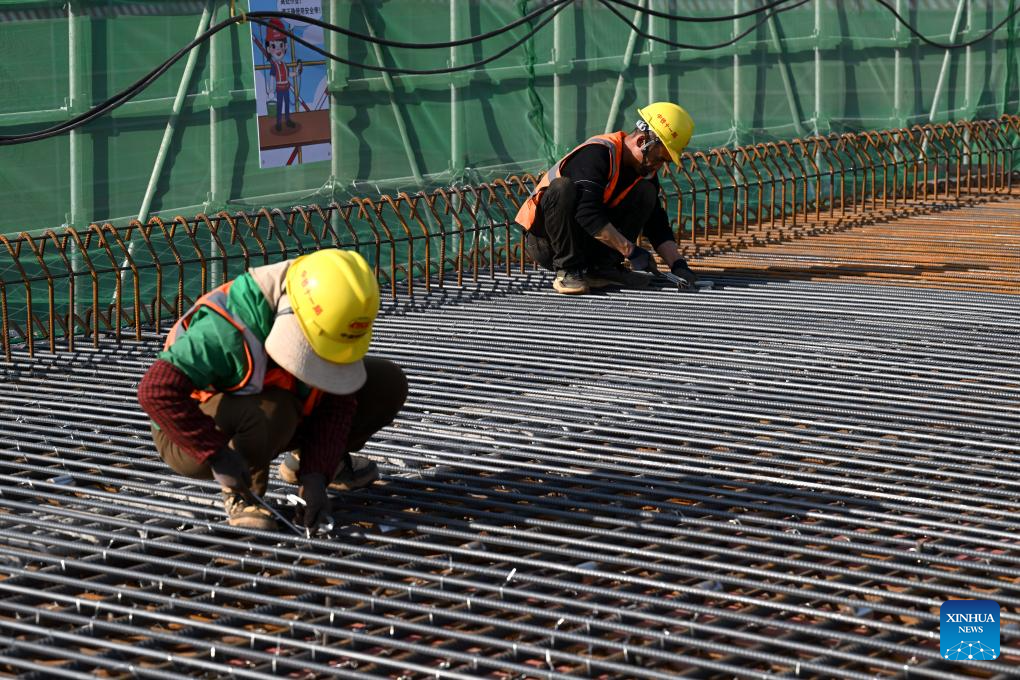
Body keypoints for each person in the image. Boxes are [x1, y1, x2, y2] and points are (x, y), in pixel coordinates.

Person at [137, 249, 407, 531]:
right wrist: (217, 455)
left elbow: (337, 399)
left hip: (274, 418)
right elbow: (156, 391)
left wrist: (316, 474)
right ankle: (244, 496)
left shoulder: (332, 309)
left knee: (383, 382)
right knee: (275, 408)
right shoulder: (224, 328)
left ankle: (311, 462)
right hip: (190, 436)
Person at [516, 102, 699, 295]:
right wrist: (631, 251)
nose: (660, 166)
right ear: (641, 142)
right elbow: (587, 213)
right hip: (547, 244)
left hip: (585, 242)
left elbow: (656, 223)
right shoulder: (597, 154)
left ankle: (602, 268)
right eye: (660, 158)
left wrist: (678, 265)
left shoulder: (644, 173)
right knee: (563, 187)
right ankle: (568, 271)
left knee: (646, 192)